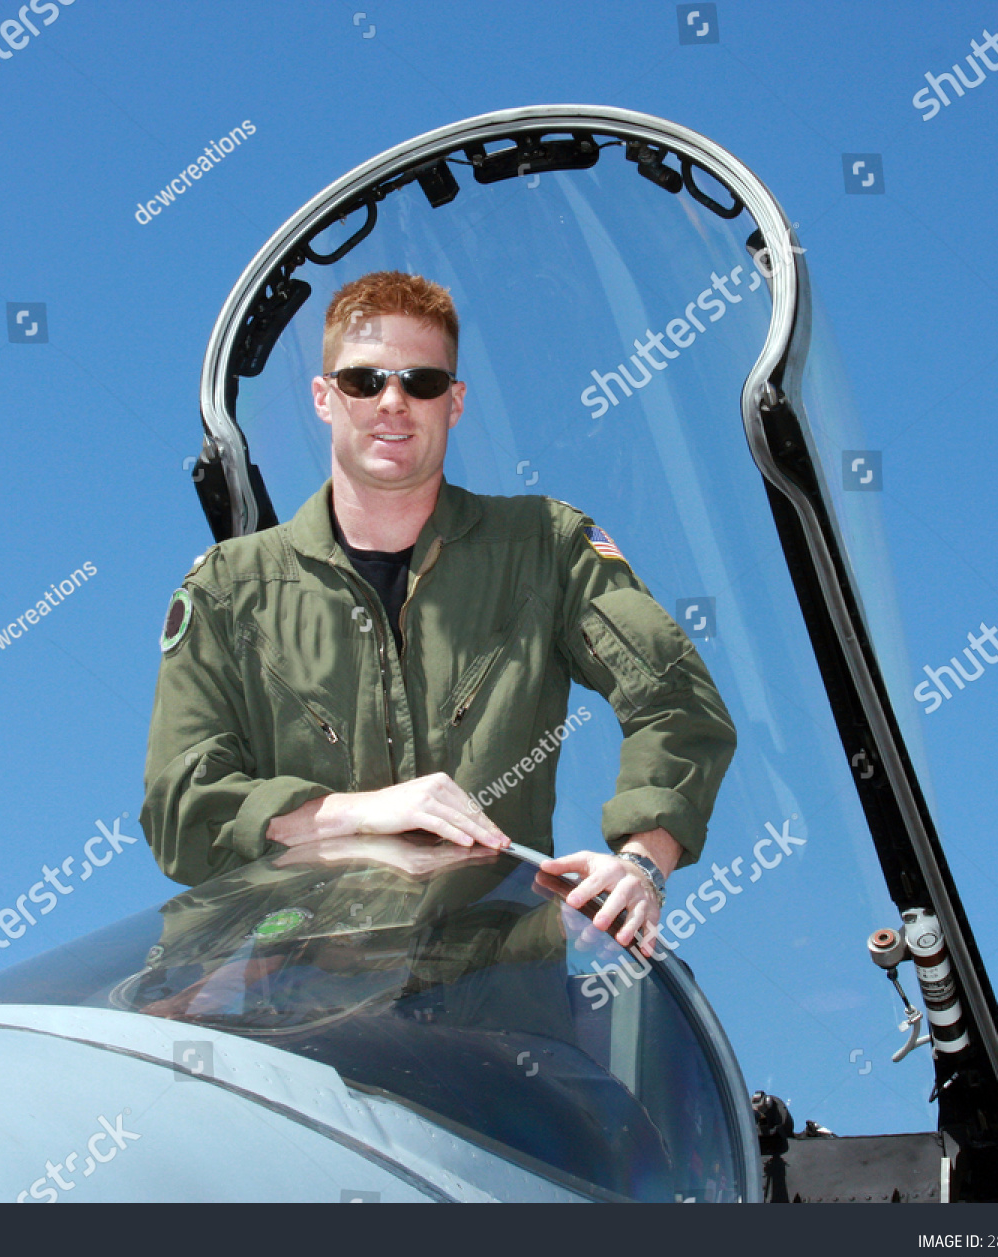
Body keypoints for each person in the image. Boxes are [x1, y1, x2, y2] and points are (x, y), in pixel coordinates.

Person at [141, 271, 736, 957]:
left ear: (453, 403)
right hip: (294, 1001)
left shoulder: (546, 547)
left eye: (420, 382)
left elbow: (677, 700)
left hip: (500, 1002)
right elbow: (180, 806)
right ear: (323, 398)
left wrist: (642, 862)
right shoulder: (226, 589)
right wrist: (356, 814)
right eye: (365, 381)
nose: (392, 402)